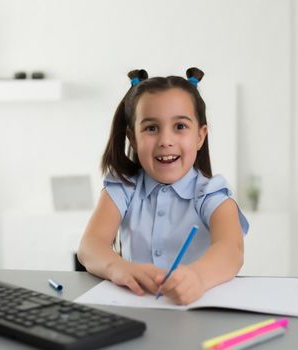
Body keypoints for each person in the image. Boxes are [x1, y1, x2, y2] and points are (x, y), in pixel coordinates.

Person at [77, 68, 249, 305]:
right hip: (135, 309)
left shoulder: (211, 193)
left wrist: (198, 277)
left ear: (200, 136)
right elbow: (90, 245)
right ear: (133, 139)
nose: (165, 141)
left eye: (180, 126)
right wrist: (118, 268)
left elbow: (232, 249)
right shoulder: (123, 188)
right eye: (151, 128)